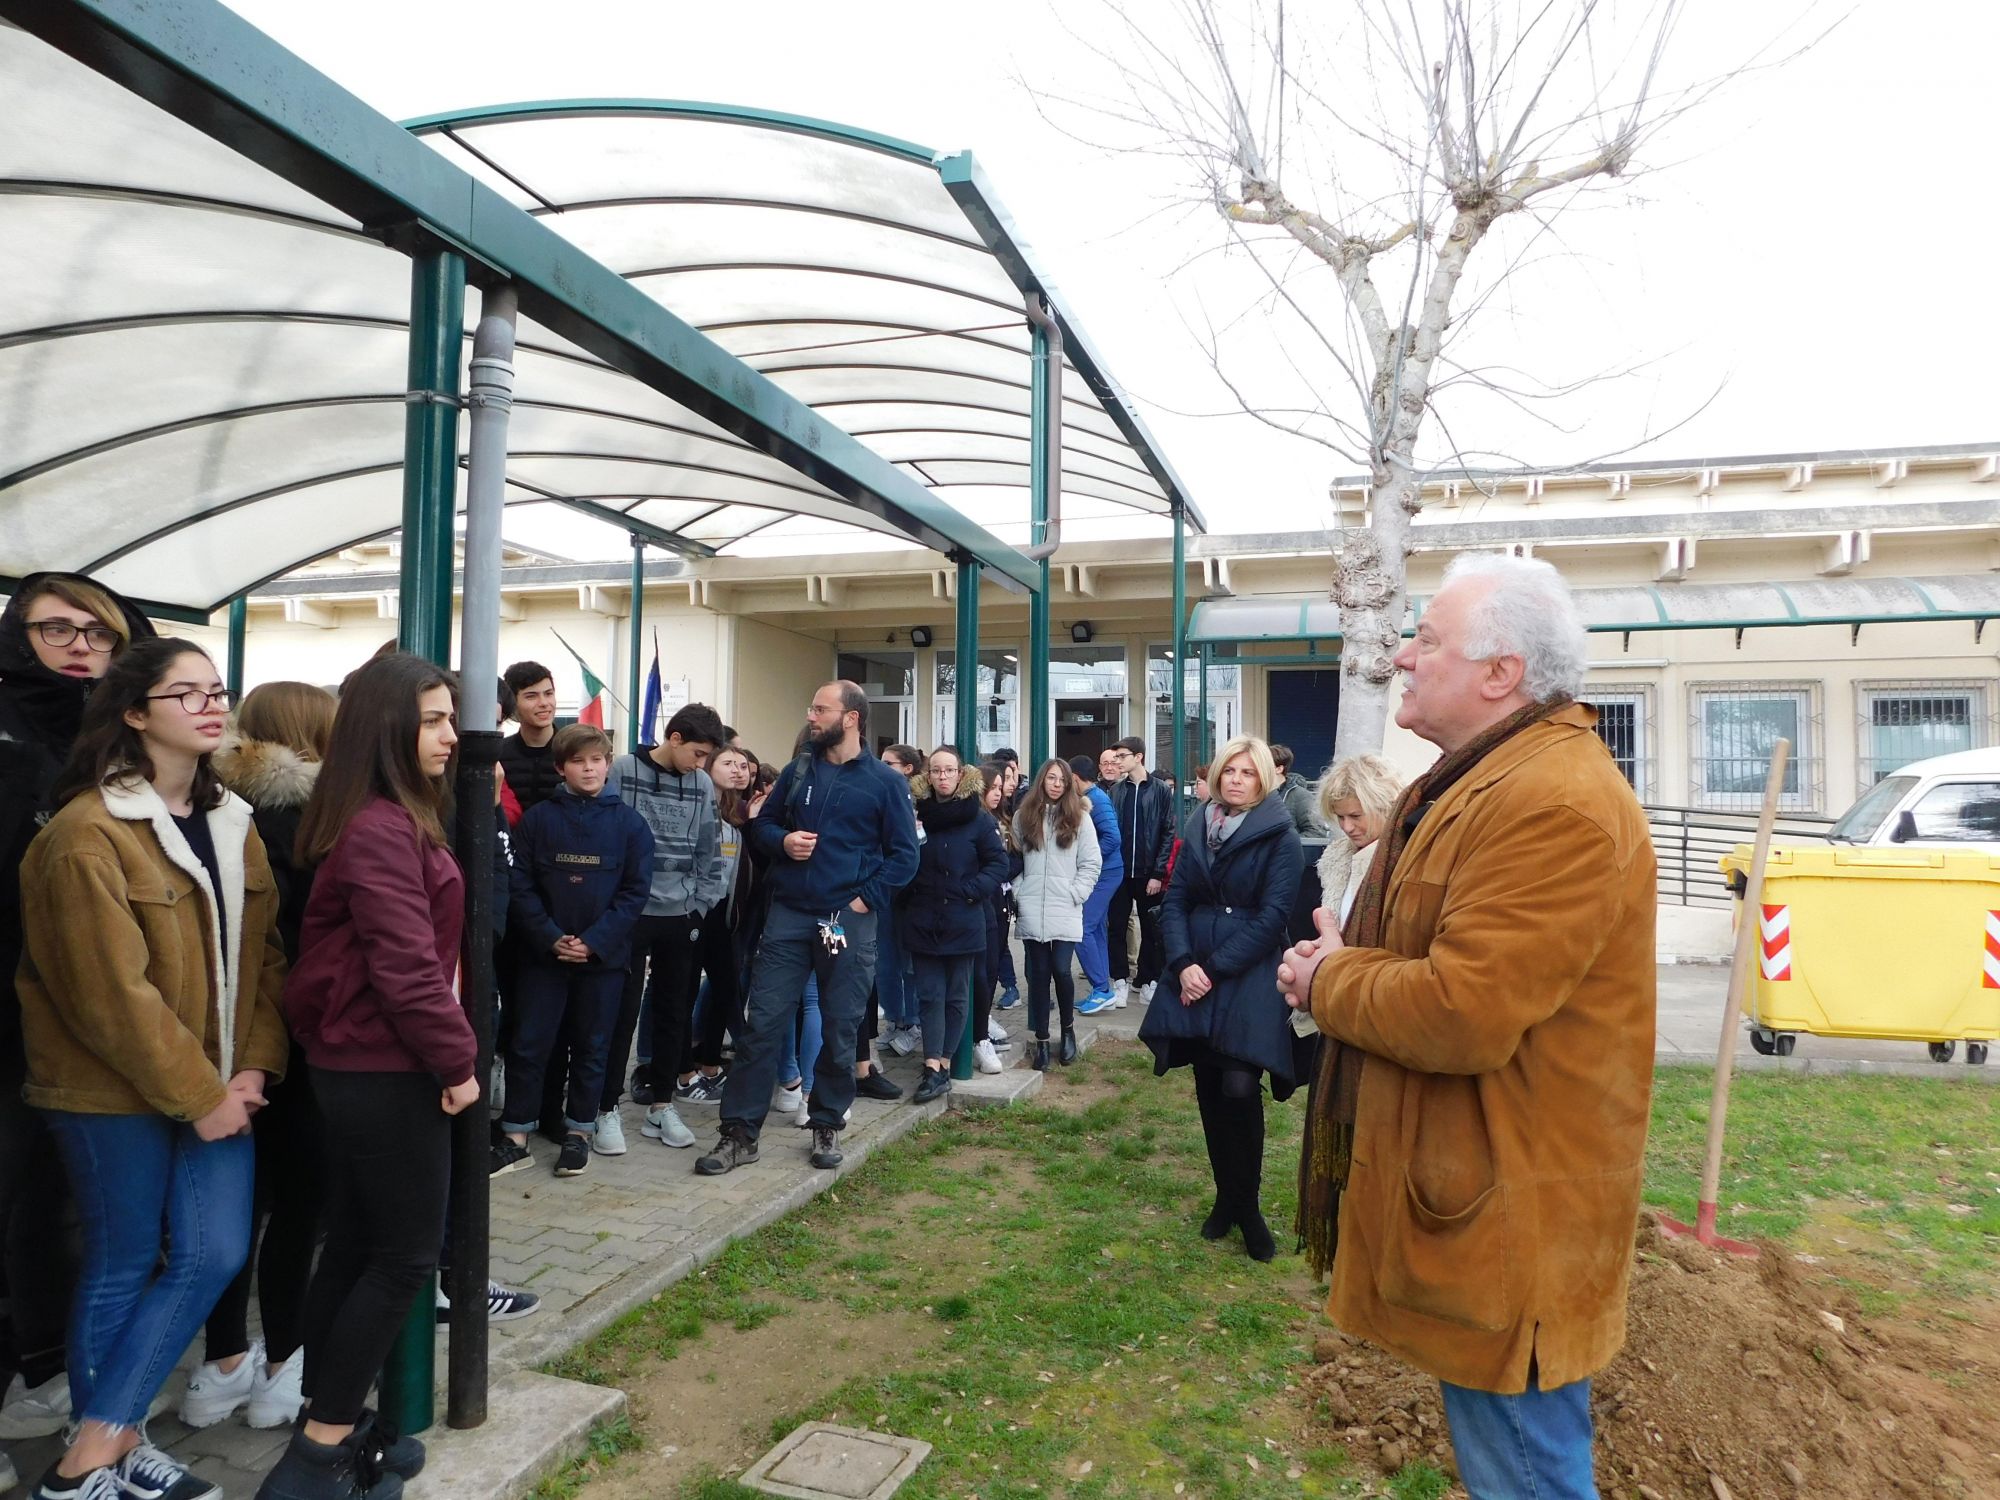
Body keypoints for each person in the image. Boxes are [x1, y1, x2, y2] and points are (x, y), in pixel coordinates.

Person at [1277, 553, 1656, 1499]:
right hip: (1485, 1205)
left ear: (1502, 673)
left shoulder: (1553, 801)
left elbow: (1464, 1012)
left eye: (1428, 638)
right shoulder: (1484, 779)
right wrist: (1347, 960)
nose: (1405, 656)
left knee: (1527, 1476)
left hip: (1516, 1224)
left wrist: (1330, 980)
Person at [17, 639, 290, 1500]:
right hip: (108, 1093)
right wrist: (202, 1092)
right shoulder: (85, 833)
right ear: (134, 714)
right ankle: (109, 1448)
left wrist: (253, 1067)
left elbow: (265, 960)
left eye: (219, 691)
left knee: (211, 1254)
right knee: (125, 1258)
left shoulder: (234, 822)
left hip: (218, 1086)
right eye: (186, 694)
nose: (212, 706)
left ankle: (91, 1453)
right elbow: (108, 996)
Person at [273, 652, 481, 1500]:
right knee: (402, 1259)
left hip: (364, 1061)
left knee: (356, 1248)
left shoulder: (382, 816)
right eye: (431, 720)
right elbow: (407, 967)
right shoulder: (379, 828)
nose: (449, 736)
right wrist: (458, 1062)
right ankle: (318, 1459)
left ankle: (330, 1427)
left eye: (447, 718)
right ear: (386, 727)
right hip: (386, 1066)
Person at [0, 574, 155, 1458]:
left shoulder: (122, 742)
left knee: (73, 1208)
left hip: (97, 1015)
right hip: (11, 1008)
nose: (79, 645)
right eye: (52, 629)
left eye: (97, 631)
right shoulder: (13, 734)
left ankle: (52, 1372)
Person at [180, 682, 338, 1434]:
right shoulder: (313, 820)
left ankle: (220, 1366)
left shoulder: (205, 807)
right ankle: (282, 1365)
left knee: (233, 1209)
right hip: (294, 1043)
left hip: (216, 1040)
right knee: (299, 1208)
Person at [696, 682, 918, 1176]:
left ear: (852, 718)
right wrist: (784, 840)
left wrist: (865, 900)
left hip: (846, 918)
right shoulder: (798, 770)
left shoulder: (885, 782)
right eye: (812, 707)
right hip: (790, 915)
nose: (811, 716)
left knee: (840, 1026)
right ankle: (739, 1133)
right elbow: (763, 827)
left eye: (821, 709)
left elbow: (906, 856)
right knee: (763, 1025)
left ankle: (826, 1122)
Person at [1138, 735, 1304, 1263]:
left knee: (1238, 1084)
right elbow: (1179, 897)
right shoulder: (1197, 825)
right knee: (1209, 1083)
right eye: (1228, 770)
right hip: (1195, 969)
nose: (1235, 779)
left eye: (1246, 772)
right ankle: (1225, 1199)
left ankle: (1247, 1204)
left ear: (1264, 779)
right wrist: (1183, 963)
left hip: (1247, 972)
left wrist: (1209, 969)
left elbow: (1273, 916)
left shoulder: (1281, 837)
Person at [495, 726, 654, 1179]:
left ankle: (579, 1133)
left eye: (598, 760)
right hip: (543, 959)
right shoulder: (538, 820)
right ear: (561, 768)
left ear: (608, 763)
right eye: (579, 761)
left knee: (593, 1047)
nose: (589, 768)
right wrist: (550, 937)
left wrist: (594, 942)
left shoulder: (630, 825)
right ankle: (516, 1135)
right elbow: (520, 885)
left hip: (602, 962)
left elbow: (634, 893)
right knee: (529, 1044)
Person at [605, 703, 725, 1151]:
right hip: (631, 914)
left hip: (681, 916)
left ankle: (661, 1106)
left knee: (675, 1012)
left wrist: (700, 905)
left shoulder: (701, 784)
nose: (701, 764)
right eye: (696, 754)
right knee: (622, 1012)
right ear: (673, 738)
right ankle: (606, 1108)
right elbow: (607, 833)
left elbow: (710, 851)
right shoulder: (623, 770)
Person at [899, 749, 1007, 1102]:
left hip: (963, 917)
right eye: (936, 771)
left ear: (961, 775)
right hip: (923, 917)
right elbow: (900, 856)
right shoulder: (915, 815)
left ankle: (944, 1061)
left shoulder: (978, 819)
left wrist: (971, 891)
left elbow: (998, 863)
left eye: (949, 771)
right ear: (927, 776)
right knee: (929, 995)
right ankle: (932, 1065)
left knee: (957, 994)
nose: (942, 777)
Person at [1011, 759, 1101, 1071]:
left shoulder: (1080, 818)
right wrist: (1020, 891)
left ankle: (1067, 1029)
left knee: (1062, 970)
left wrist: (1076, 893)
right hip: (1033, 906)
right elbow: (1016, 859)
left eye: (1062, 780)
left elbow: (1092, 863)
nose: (1056, 784)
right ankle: (1041, 1039)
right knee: (1037, 975)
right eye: (1051, 778)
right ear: (1042, 781)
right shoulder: (1025, 816)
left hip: (1065, 907)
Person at [1104, 736, 1174, 1010]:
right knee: (1117, 927)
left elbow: (1168, 831)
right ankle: (1119, 980)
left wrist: (1158, 872)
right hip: (1119, 872)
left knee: (1151, 928)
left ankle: (1147, 980)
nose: (1117, 762)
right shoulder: (1116, 791)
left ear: (1138, 757)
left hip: (1148, 873)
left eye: (1121, 756)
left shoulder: (1159, 790)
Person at [873, 744, 924, 1054]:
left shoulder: (918, 801)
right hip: (883, 890)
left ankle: (913, 1021)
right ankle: (895, 1019)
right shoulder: (879, 793)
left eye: (888, 762)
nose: (882, 767)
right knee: (885, 961)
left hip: (910, 893)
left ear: (907, 768)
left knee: (909, 963)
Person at [971, 763, 1022, 1074]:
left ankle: (983, 1022)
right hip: (985, 900)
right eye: (993, 787)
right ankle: (978, 1030)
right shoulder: (979, 821)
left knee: (993, 965)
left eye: (1001, 787)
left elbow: (1013, 857)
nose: (1000, 792)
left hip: (1002, 902)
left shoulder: (1002, 818)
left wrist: (1006, 869)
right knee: (983, 969)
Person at [1315, 754, 1403, 924]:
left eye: (1356, 816)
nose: (1347, 827)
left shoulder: (1406, 858)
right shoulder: (1337, 858)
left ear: (1385, 807)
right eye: (1340, 817)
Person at [1066, 756, 1123, 1012]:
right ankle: (1104, 990)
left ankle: (1101, 988)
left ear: (1075, 778)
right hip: (1104, 873)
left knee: (1082, 928)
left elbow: (1113, 837)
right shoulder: (1095, 797)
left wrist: (1088, 859)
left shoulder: (1096, 800)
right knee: (1096, 928)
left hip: (1104, 874)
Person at [496, 661, 561, 815]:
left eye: (548, 693)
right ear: (513, 703)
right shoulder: (498, 754)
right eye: (531, 696)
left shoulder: (573, 751)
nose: (544, 703)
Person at [1268, 744, 1325, 837]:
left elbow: (1317, 832)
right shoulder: (1256, 794)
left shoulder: (1300, 796)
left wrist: (1285, 845)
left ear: (1278, 769)